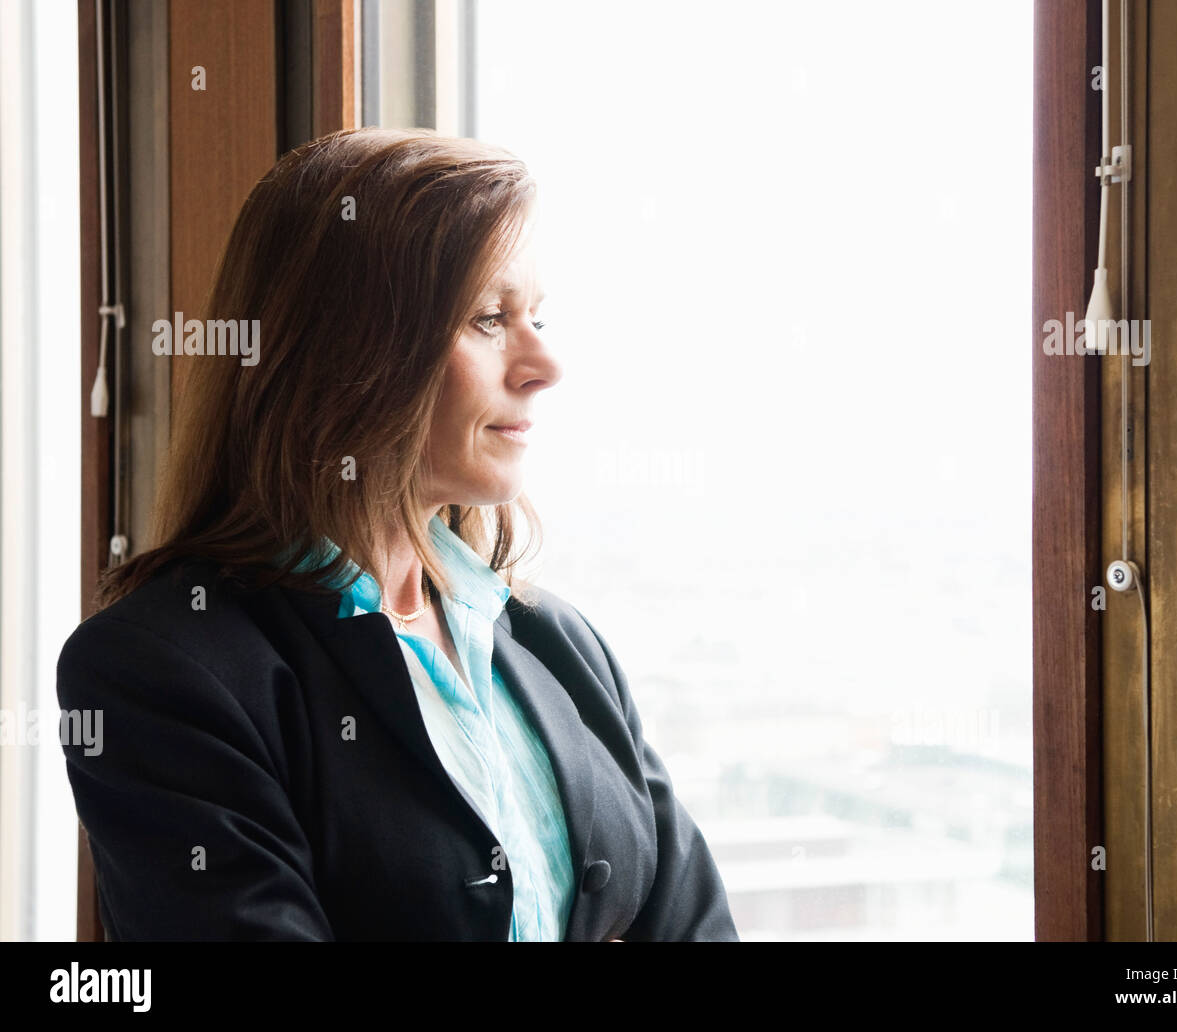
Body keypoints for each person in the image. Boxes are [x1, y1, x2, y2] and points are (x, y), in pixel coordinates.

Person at [56, 127, 738, 942]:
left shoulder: (561, 645)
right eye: (489, 318)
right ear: (352, 348)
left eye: (538, 317)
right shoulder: (163, 671)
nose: (543, 364)